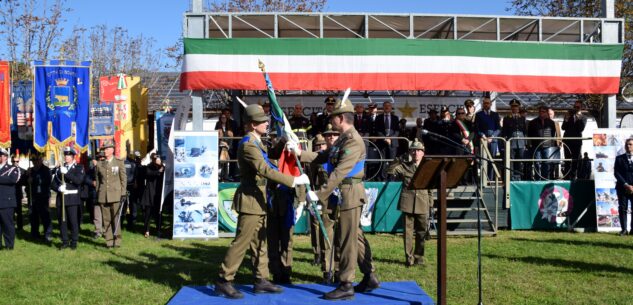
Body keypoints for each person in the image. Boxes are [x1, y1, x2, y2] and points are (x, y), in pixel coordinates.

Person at [214, 104, 310, 299]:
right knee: (241, 242)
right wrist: (293, 181)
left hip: (259, 199)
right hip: (250, 200)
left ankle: (261, 279)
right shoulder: (248, 144)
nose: (266, 123)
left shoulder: (257, 142)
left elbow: (271, 157)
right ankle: (224, 279)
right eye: (262, 121)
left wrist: (284, 140)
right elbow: (264, 169)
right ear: (251, 124)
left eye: (265, 120)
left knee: (260, 243)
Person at [290, 98, 379, 301]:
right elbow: (323, 157)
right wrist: (300, 153)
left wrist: (319, 193)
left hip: (350, 193)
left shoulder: (353, 141)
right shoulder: (343, 139)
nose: (330, 120)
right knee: (355, 236)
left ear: (340, 118)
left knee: (347, 239)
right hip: (345, 192)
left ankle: (346, 283)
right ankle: (370, 275)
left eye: (332, 117)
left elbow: (338, 172)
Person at [387, 139, 433, 266]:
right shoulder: (404, 166)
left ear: (423, 153)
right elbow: (389, 171)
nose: (416, 153)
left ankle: (419, 257)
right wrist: (397, 160)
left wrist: (431, 204)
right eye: (413, 150)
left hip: (422, 202)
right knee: (407, 233)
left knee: (421, 231)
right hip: (408, 203)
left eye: (418, 150)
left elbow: (430, 188)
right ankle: (409, 257)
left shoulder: (427, 167)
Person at [51, 147, 85, 250]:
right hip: (61, 198)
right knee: (62, 221)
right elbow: (53, 184)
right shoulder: (60, 168)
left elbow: (78, 181)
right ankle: (65, 241)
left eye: (69, 155)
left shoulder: (79, 167)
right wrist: (58, 188)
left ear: (73, 156)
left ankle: (74, 241)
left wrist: (67, 173)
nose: (66, 157)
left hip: (72, 198)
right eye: (65, 155)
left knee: (73, 220)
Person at [95, 140, 127, 248]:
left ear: (112, 150)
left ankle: (117, 240)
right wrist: (98, 193)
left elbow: (123, 179)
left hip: (116, 194)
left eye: (107, 149)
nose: (105, 151)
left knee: (115, 218)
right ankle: (109, 241)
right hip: (103, 195)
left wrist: (123, 193)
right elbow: (98, 181)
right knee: (106, 219)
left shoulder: (118, 162)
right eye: (104, 149)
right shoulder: (100, 164)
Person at [27, 153, 52, 242]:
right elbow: (25, 183)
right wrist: (27, 176)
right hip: (33, 196)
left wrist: (34, 180)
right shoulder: (30, 171)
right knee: (33, 216)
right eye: (33, 161)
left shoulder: (46, 170)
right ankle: (34, 234)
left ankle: (47, 234)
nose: (34, 163)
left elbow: (47, 181)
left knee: (45, 216)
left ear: (41, 161)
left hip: (43, 196)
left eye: (36, 160)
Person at [528, 106, 557, 180]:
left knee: (546, 162)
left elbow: (553, 133)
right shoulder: (533, 122)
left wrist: (549, 141)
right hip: (536, 145)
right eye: (540, 111)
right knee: (537, 163)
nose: (541, 113)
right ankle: (537, 178)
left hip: (547, 145)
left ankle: (545, 178)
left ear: (546, 113)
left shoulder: (551, 122)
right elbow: (529, 134)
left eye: (543, 111)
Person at [502, 99, 528, 180]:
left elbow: (525, 131)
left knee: (520, 159)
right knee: (511, 160)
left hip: (520, 141)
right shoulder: (507, 118)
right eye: (513, 107)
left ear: (519, 107)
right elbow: (504, 132)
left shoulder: (522, 118)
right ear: (511, 108)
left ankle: (519, 176)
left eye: (516, 107)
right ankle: (511, 177)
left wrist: (525, 143)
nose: (515, 108)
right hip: (511, 141)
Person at [0, 148, 20, 250]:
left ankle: (9, 245)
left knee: (7, 224)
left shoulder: (12, 168)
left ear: (5, 157)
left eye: (0, 155)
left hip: (6, 201)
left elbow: (13, 179)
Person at [140, 153, 164, 238]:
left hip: (158, 194)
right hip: (150, 193)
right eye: (154, 159)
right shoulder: (148, 166)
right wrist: (158, 171)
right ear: (151, 159)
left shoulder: (162, 167)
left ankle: (158, 229)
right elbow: (149, 173)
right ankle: (147, 230)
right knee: (148, 214)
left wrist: (161, 166)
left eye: (157, 158)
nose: (156, 160)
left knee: (158, 213)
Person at [562, 100, 587, 179]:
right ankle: (566, 175)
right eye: (574, 107)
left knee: (576, 159)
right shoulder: (569, 116)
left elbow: (581, 129)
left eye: (577, 107)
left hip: (576, 141)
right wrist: (566, 119)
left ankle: (574, 175)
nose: (575, 109)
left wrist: (578, 118)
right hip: (567, 140)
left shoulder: (583, 117)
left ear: (581, 108)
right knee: (567, 158)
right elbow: (563, 127)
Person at [376, 101, 400, 179]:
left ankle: (391, 178)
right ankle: (382, 178)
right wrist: (385, 138)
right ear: (383, 107)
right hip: (382, 143)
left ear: (391, 107)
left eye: (388, 106)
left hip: (393, 143)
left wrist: (390, 138)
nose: (387, 107)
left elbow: (397, 131)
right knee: (382, 161)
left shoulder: (395, 118)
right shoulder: (378, 117)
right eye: (385, 106)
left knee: (392, 162)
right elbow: (378, 130)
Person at [615, 138, 633, 236]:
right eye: (627, 144)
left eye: (630, 144)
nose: (628, 146)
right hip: (622, 187)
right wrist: (626, 185)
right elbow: (616, 173)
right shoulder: (619, 158)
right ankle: (624, 229)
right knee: (622, 208)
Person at [122, 150, 139, 230]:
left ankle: (132, 222)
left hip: (131, 186)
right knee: (123, 203)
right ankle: (121, 221)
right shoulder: (121, 162)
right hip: (123, 186)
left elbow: (135, 174)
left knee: (132, 204)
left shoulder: (134, 163)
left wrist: (134, 181)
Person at [12, 155, 26, 232]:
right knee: (11, 212)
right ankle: (12, 226)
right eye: (13, 161)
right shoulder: (8, 170)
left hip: (17, 193)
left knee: (19, 211)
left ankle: (20, 227)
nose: (15, 163)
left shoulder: (23, 171)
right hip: (10, 194)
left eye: (16, 161)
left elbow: (24, 182)